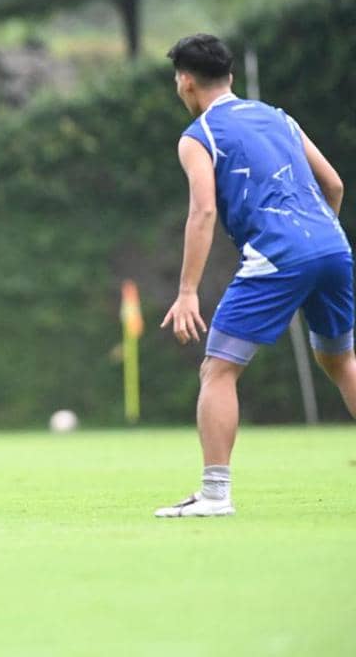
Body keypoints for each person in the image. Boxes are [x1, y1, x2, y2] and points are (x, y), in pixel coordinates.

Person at [156, 33, 356, 517]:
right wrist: (316, 243)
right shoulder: (278, 117)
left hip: (278, 254)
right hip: (334, 245)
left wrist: (187, 293)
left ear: (185, 82)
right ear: (229, 77)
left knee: (219, 368)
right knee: (342, 362)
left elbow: (202, 212)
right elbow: (333, 183)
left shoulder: (199, 135)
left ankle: (215, 495)